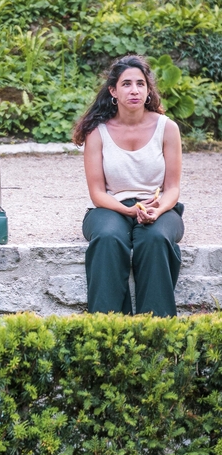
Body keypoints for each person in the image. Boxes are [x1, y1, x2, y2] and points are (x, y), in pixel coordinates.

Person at [73, 54, 183, 316]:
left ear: (148, 90)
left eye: (140, 84)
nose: (134, 90)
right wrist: (130, 211)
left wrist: (156, 211)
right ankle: (108, 327)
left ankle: (156, 330)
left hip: (159, 207)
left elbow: (173, 189)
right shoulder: (97, 132)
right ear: (113, 90)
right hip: (109, 207)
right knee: (108, 238)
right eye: (126, 84)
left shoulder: (167, 129)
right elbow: (97, 193)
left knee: (155, 238)